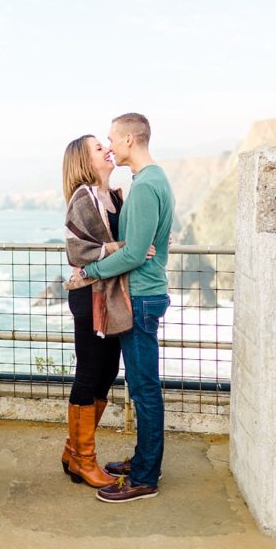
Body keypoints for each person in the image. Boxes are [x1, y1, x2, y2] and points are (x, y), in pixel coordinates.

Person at [77, 112, 175, 503]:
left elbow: (135, 252)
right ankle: (143, 460)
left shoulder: (148, 185)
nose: (111, 146)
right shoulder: (146, 181)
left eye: (113, 140)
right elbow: (137, 246)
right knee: (141, 386)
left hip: (143, 297)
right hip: (143, 294)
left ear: (130, 140)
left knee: (145, 390)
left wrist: (92, 269)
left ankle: (146, 478)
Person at [60, 134, 139, 488]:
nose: (107, 150)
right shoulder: (83, 197)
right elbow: (78, 251)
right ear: (84, 160)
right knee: (90, 371)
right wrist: (128, 246)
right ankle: (84, 461)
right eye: (98, 148)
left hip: (108, 295)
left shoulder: (116, 195)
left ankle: (72, 450)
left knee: (107, 372)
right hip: (89, 296)